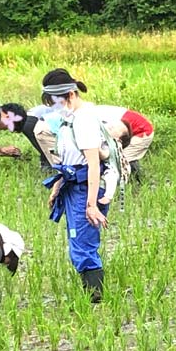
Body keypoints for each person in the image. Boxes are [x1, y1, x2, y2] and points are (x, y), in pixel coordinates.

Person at [40, 68, 128, 303]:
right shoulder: (70, 119)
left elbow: (93, 165)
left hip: (85, 190)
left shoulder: (85, 120)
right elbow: (68, 159)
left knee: (83, 243)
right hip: (73, 187)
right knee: (77, 241)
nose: (53, 107)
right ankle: (91, 296)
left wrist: (91, 205)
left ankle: (95, 300)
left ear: (70, 94)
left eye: (55, 101)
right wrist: (57, 187)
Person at [97, 105, 154, 179]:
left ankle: (135, 179)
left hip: (143, 131)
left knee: (122, 159)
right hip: (133, 128)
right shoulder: (97, 110)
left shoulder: (96, 115)